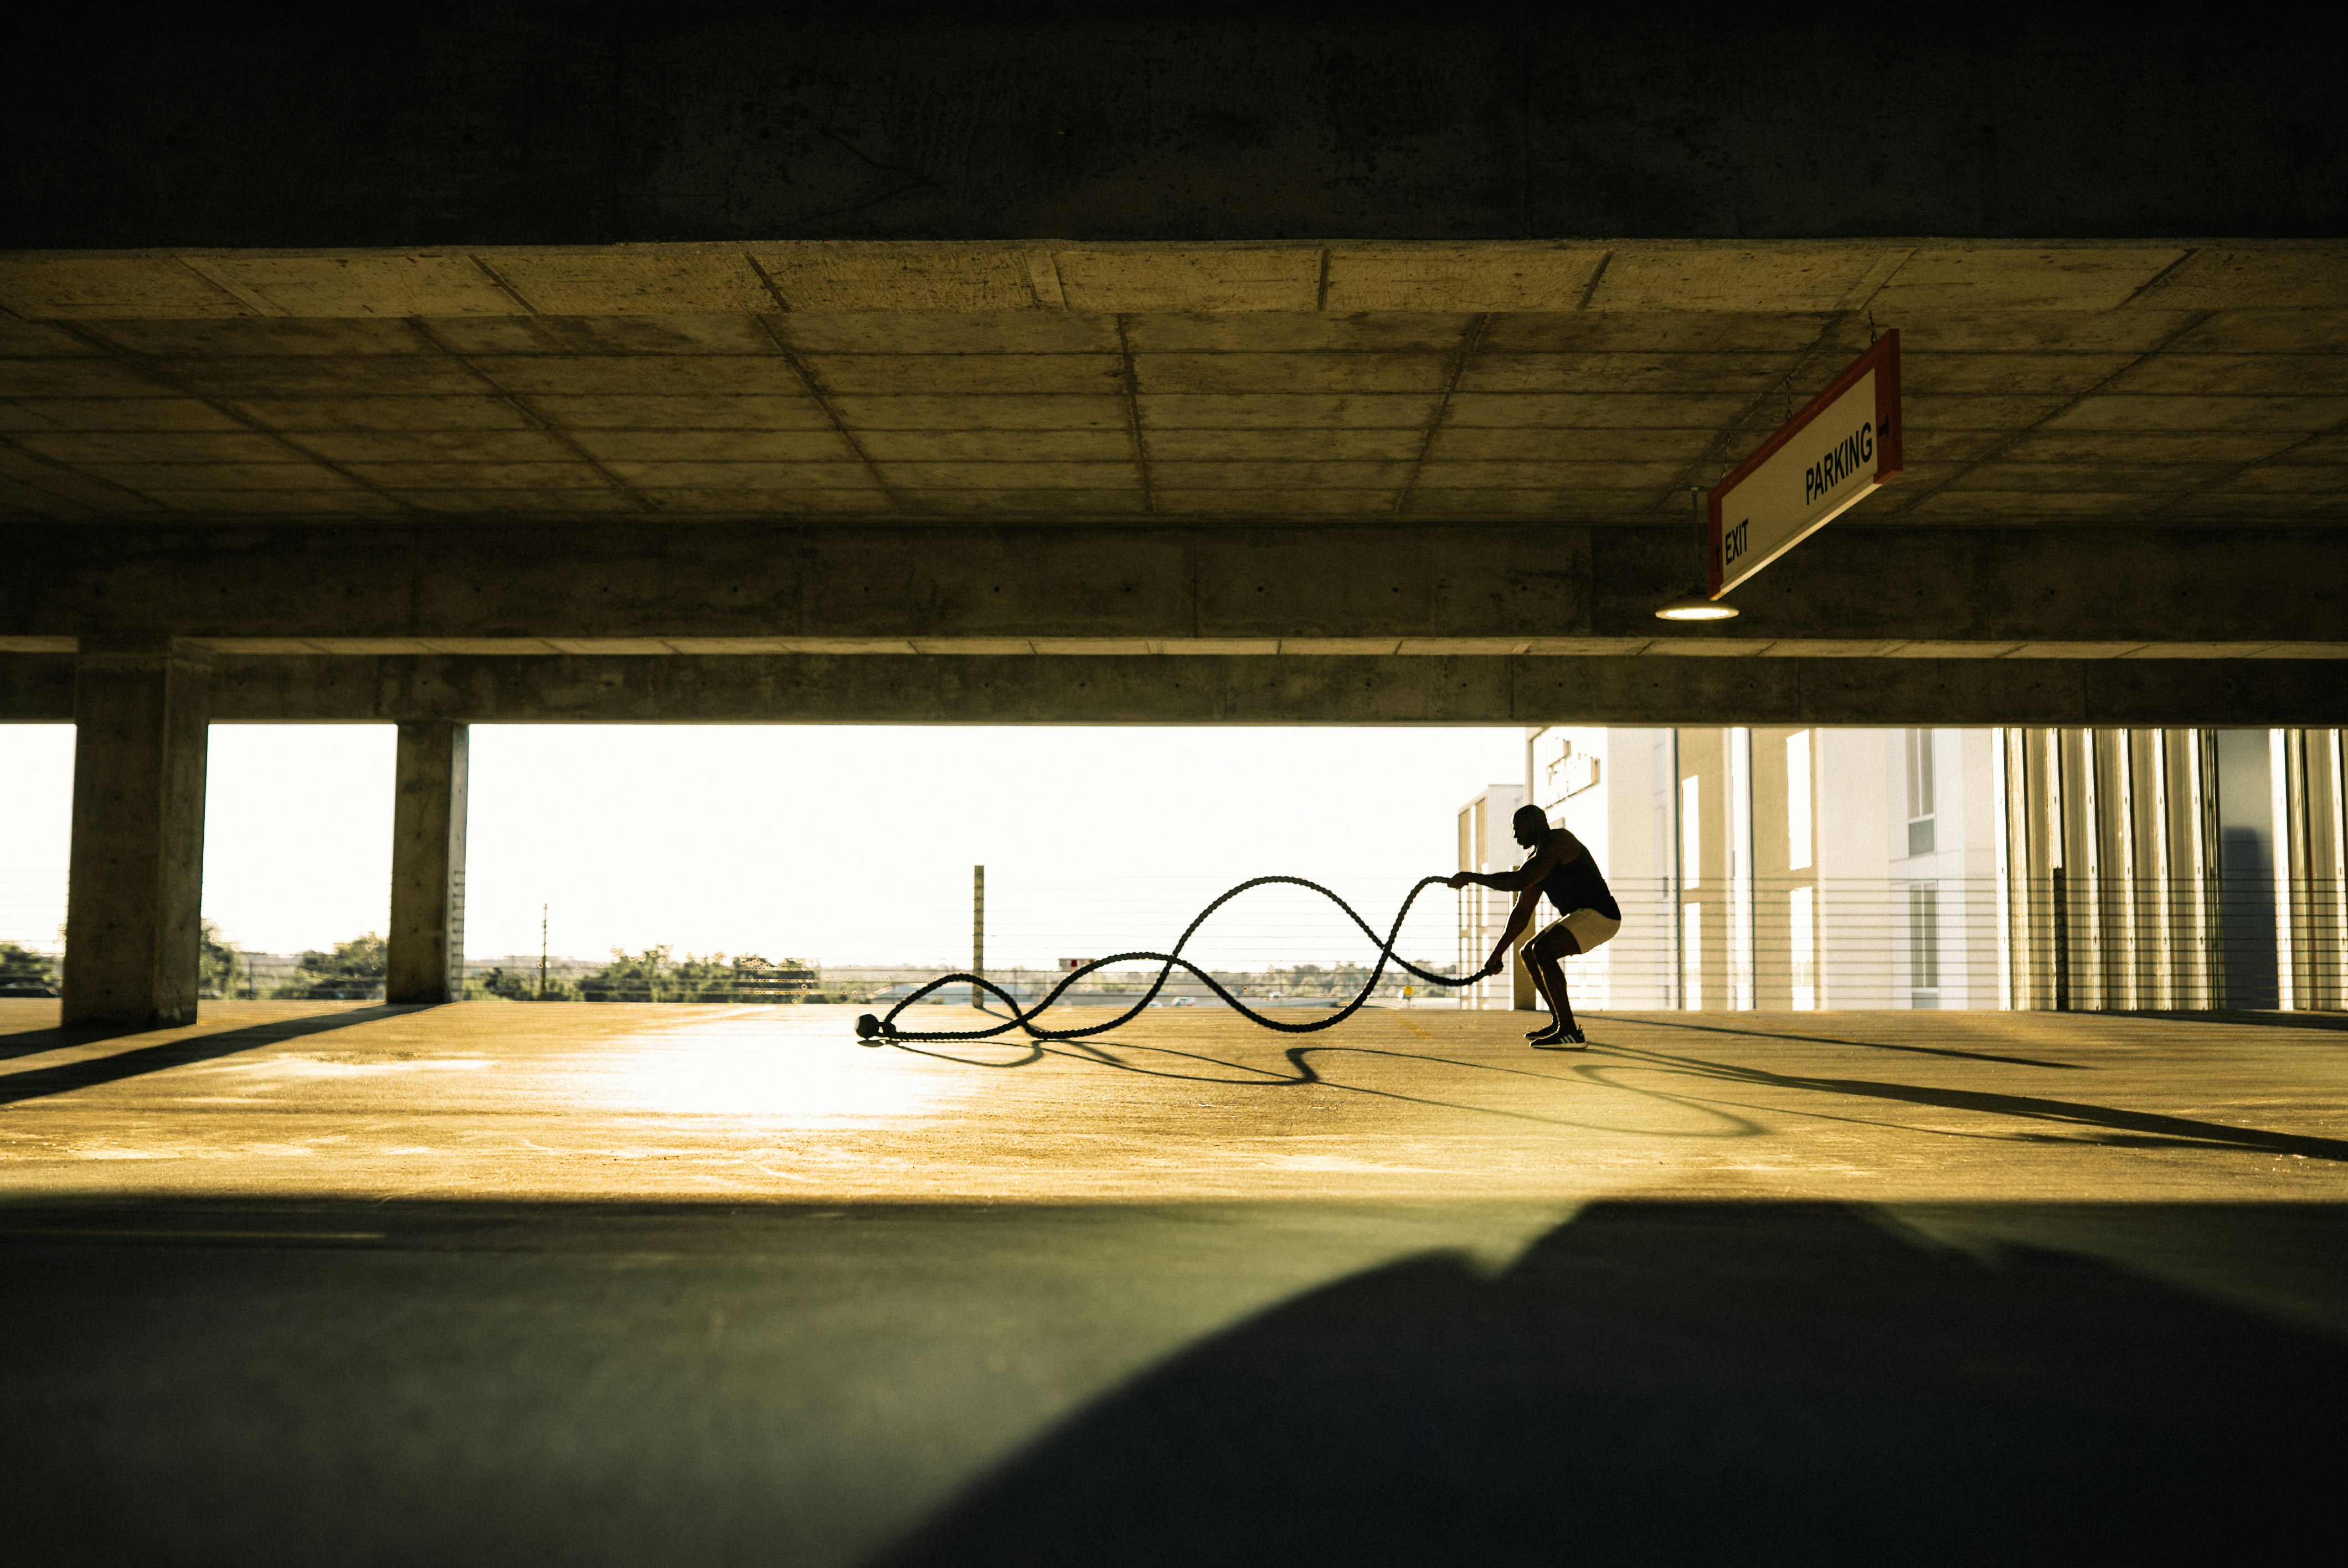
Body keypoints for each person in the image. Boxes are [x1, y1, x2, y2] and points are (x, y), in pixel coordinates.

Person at [1446, 804, 1621, 1049]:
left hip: (1602, 916)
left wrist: (1472, 877)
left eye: (1518, 829)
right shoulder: (1537, 859)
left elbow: (1520, 880)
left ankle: (1569, 1032)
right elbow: (1521, 913)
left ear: (1535, 824)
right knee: (1528, 951)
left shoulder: (1559, 841)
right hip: (1583, 915)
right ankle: (1561, 1023)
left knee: (1543, 950)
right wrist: (1498, 953)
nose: (1515, 836)